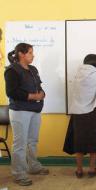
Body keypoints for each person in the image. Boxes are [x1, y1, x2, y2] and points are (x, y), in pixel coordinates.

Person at [4, 43, 49, 186]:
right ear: (21, 54)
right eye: (30, 52)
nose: (33, 55)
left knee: (32, 141)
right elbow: (12, 92)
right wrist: (33, 96)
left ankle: (33, 166)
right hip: (20, 111)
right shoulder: (12, 70)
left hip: (35, 110)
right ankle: (19, 174)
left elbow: (39, 87)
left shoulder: (33, 69)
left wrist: (42, 94)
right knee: (20, 144)